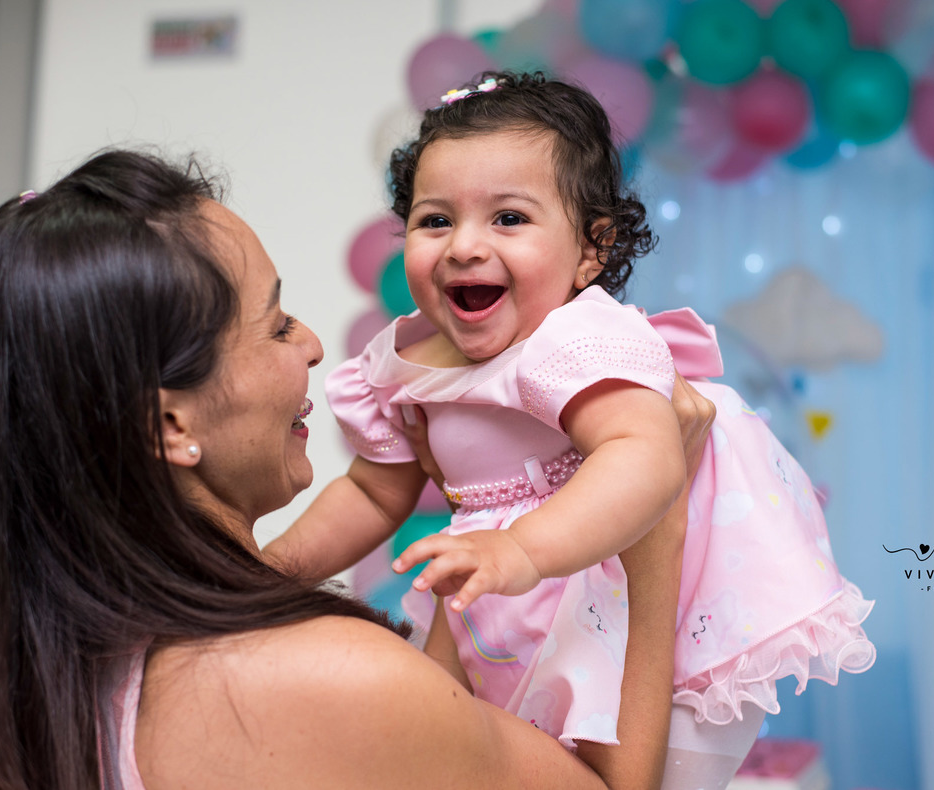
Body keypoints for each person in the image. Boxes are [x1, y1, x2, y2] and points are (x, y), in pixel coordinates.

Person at [0, 149, 712, 790]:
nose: (312, 346)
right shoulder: (328, 681)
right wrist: (658, 526)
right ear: (170, 422)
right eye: (273, 325)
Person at [269, 71, 876, 788]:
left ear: (591, 250)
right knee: (431, 742)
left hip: (610, 574)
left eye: (508, 219)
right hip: (492, 587)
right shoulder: (404, 362)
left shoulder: (578, 340)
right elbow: (373, 493)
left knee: (627, 756)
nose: (464, 245)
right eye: (435, 220)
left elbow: (645, 459)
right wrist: (271, 575)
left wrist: (522, 548)